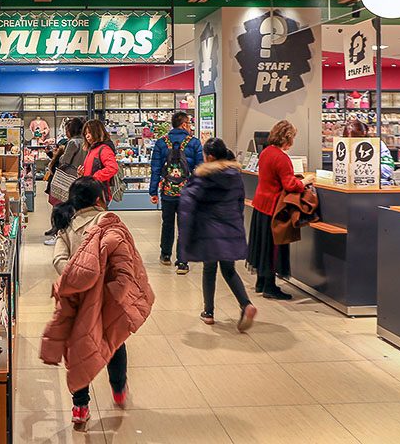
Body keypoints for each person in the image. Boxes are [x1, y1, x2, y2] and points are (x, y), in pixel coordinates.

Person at [41, 177, 154, 431]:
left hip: (77, 300)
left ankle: (80, 407)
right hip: (107, 300)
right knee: (114, 342)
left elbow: (59, 260)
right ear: (99, 199)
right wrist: (115, 293)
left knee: (78, 348)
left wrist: (76, 279)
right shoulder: (110, 224)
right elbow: (125, 268)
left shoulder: (67, 226)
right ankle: (118, 390)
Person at [177, 138, 257, 331]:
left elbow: (188, 204)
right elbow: (239, 203)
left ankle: (209, 312)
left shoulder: (203, 176)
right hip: (230, 229)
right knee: (229, 270)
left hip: (209, 231)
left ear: (209, 156)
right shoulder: (235, 175)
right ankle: (246, 304)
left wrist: (185, 234)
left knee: (209, 270)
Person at [247, 120, 314, 300]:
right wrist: (304, 182)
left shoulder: (266, 152)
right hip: (274, 207)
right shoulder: (281, 157)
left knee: (262, 245)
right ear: (288, 138)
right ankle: (270, 286)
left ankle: (261, 281)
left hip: (261, 204)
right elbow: (289, 184)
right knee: (274, 247)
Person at [149, 111, 203, 272]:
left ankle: (165, 254)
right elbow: (200, 169)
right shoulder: (194, 143)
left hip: (167, 191)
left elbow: (156, 168)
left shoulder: (161, 143)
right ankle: (182, 261)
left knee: (167, 223)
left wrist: (153, 191)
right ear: (184, 124)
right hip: (187, 192)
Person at [44, 118, 85, 244]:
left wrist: (59, 153)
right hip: (78, 177)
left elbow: (64, 161)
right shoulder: (84, 142)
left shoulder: (72, 142)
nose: (66, 132)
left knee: (60, 206)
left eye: (67, 129)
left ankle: (59, 234)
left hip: (66, 177)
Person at [342, 119, 395, 184]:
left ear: (363, 134)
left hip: (378, 184)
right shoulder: (344, 145)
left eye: (355, 139)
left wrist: (366, 169)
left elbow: (388, 169)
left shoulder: (377, 144)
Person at [79, 119, 119, 205]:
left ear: (97, 132)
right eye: (85, 134)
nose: (87, 136)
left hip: (98, 193)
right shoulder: (93, 149)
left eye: (89, 132)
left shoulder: (104, 149)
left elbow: (113, 168)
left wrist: (94, 178)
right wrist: (83, 174)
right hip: (91, 191)